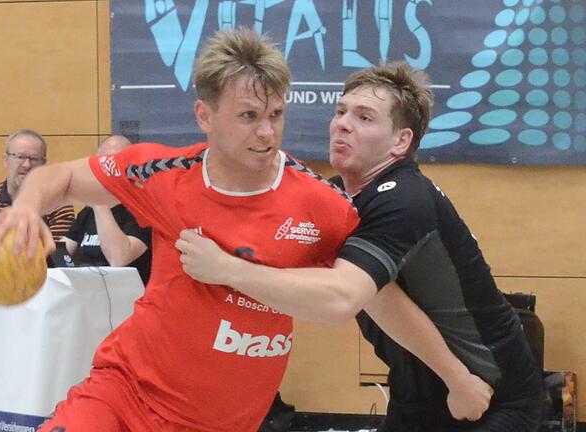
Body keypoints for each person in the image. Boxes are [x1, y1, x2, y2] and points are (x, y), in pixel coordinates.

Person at [0, 30, 488, 432]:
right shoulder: (163, 175)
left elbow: (372, 296)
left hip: (223, 421)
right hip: (125, 393)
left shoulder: (320, 205)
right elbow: (63, 176)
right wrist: (27, 207)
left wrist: (455, 375)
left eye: (275, 114)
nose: (266, 132)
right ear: (205, 115)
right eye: (248, 116)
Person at [175, 61, 543, 431]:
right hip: (427, 388)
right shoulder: (337, 197)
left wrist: (225, 269)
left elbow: (341, 299)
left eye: (365, 118)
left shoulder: (405, 200)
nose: (343, 124)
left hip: (490, 393)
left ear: (401, 141)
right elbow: (380, 298)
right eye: (340, 112)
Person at [65, 135, 152, 284]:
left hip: (124, 298)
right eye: (105, 162)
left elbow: (118, 258)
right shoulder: (87, 212)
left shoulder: (143, 210)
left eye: (120, 161)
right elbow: (62, 250)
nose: (112, 168)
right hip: (87, 293)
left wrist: (99, 201)